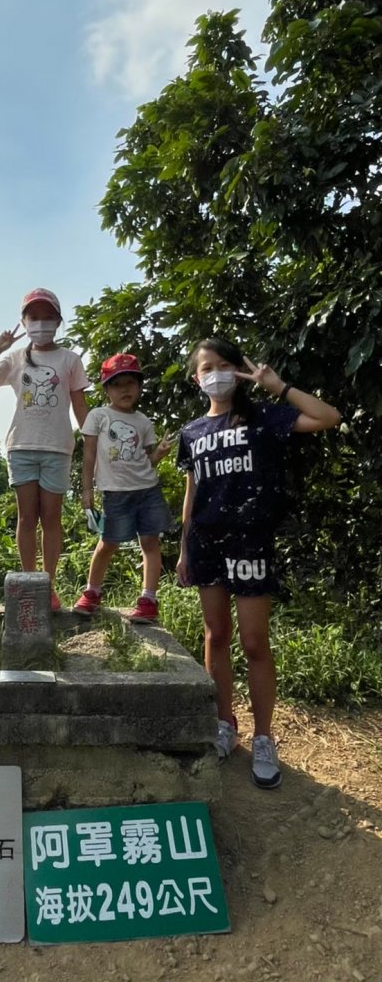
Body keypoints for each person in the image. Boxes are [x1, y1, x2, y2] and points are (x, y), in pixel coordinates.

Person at [176, 336, 341, 790]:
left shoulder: (262, 417)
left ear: (239, 370)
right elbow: (192, 493)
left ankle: (264, 737)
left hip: (251, 544)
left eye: (225, 364)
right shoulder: (191, 433)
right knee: (216, 635)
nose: (217, 372)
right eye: (207, 367)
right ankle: (224, 723)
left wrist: (278, 385)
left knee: (253, 641)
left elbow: (328, 417)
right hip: (206, 543)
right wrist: (184, 547)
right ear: (197, 378)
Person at [0, 288, 89, 609]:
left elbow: (80, 407)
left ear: (58, 321)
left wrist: (96, 440)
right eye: (33, 317)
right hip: (21, 445)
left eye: (47, 316)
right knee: (27, 517)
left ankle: (47, 586)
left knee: (51, 518)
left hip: (58, 447)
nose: (40, 322)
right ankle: (28, 583)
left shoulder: (70, 360)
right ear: (23, 321)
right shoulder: (14, 358)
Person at [74, 352, 173, 621]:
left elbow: (148, 460)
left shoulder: (143, 422)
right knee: (108, 543)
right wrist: (87, 490)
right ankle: (92, 592)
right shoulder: (98, 416)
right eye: (117, 384)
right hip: (115, 492)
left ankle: (148, 600)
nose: (125, 389)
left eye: (131, 382)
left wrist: (160, 454)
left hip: (148, 490)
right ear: (107, 389)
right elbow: (89, 455)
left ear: (140, 386)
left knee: (150, 543)